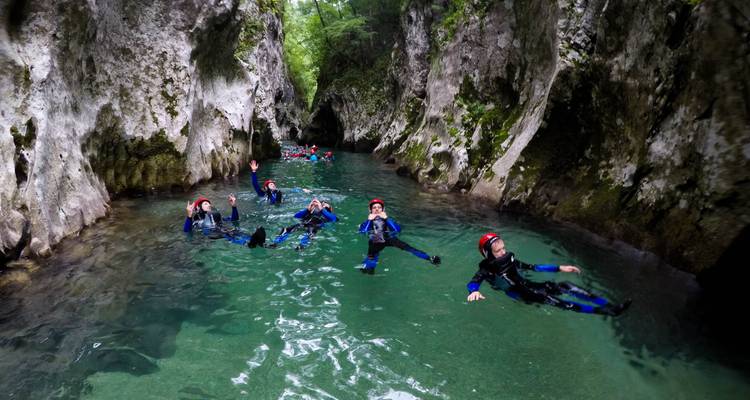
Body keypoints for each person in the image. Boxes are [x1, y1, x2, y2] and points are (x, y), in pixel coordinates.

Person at [466, 233, 631, 316]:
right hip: (520, 294)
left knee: (566, 286)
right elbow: (474, 281)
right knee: (561, 303)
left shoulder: (510, 260)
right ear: (488, 254)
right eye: (498, 251)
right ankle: (608, 312)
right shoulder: (487, 269)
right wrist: (474, 291)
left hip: (530, 286)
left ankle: (607, 304)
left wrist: (560, 268)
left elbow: (534, 267)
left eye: (503, 248)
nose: (503, 252)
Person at [358, 198, 441, 274]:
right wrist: (369, 220)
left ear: (383, 209)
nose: (377, 209)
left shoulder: (388, 219)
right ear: (371, 210)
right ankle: (370, 268)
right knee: (372, 254)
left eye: (379, 207)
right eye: (374, 207)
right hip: (375, 240)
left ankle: (429, 258)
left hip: (389, 238)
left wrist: (386, 218)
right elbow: (363, 231)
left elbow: (397, 230)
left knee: (408, 248)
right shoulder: (367, 221)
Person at [183, 195, 266, 247]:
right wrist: (189, 216)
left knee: (235, 231)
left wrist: (234, 206)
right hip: (213, 235)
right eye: (205, 204)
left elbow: (234, 219)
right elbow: (187, 231)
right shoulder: (197, 221)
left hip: (223, 229)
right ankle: (246, 244)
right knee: (227, 234)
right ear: (198, 208)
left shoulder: (217, 217)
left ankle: (256, 240)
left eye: (209, 204)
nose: (209, 205)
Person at [271, 198, 337, 250]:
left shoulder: (330, 215)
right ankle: (275, 243)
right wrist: (307, 210)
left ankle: (301, 246)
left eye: (325, 205)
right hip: (304, 224)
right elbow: (296, 216)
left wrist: (322, 209)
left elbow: (334, 219)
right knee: (286, 229)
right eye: (321, 204)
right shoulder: (310, 213)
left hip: (314, 227)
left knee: (310, 234)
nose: (322, 205)